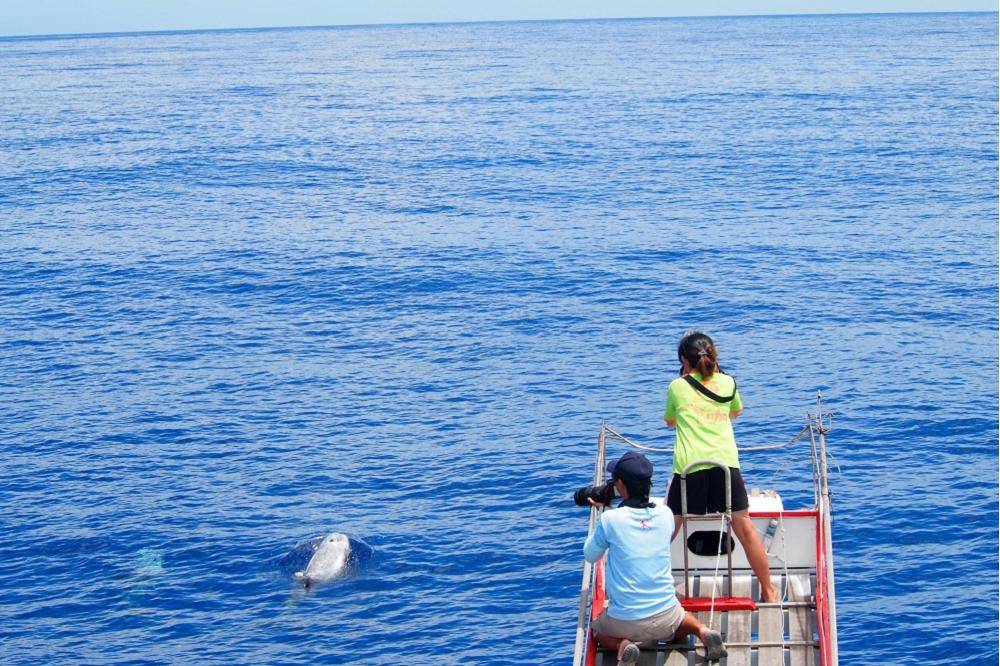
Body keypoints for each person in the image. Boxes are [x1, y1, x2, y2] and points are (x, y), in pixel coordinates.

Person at [584, 451, 728, 666]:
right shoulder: (665, 514)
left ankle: (623, 646)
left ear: (620, 485)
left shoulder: (609, 520)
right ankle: (703, 631)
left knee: (597, 631)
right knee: (680, 618)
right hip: (665, 615)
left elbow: (590, 554)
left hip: (625, 621)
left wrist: (602, 515)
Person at [663, 331, 777, 603]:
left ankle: (650, 587)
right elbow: (735, 412)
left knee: (666, 531)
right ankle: (769, 591)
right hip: (725, 465)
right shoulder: (728, 382)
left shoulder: (677, 387)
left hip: (689, 467)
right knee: (744, 529)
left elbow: (670, 421)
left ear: (684, 360)